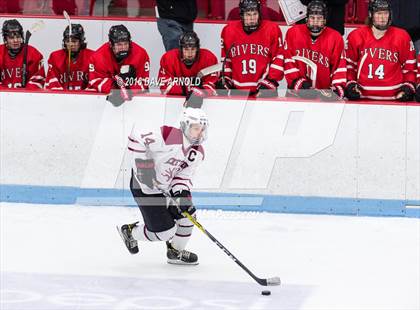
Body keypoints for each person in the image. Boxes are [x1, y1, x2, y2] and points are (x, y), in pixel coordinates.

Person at [117, 107, 208, 265]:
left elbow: (182, 176)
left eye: (202, 129)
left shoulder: (197, 153)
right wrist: (144, 170)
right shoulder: (169, 135)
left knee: (189, 217)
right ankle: (131, 232)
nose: (200, 133)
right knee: (165, 232)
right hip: (144, 188)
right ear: (185, 126)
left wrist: (181, 194)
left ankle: (175, 252)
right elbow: (136, 139)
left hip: (164, 188)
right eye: (196, 128)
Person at [219, 0, 306, 98]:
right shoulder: (228, 31)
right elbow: (226, 60)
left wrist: (270, 82)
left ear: (259, 14)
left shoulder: (272, 29)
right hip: (238, 91)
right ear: (241, 15)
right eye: (248, 15)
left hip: (265, 89)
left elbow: (279, 57)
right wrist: (226, 80)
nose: (252, 18)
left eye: (255, 14)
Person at [345, 0, 417, 101]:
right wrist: (350, 84)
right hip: (362, 98)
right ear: (371, 14)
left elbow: (409, 68)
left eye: (385, 13)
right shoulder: (356, 36)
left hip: (395, 98)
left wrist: (408, 87)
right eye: (378, 14)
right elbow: (349, 66)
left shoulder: (402, 36)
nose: (382, 18)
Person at [284, 0, 346, 100]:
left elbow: (339, 68)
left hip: (323, 97)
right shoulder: (293, 33)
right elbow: (288, 61)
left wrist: (335, 90)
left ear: (325, 20)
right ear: (307, 19)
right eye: (312, 18)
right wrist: (299, 85)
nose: (315, 21)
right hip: (296, 95)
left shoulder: (335, 37)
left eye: (319, 18)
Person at [87, 24, 150, 106]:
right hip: (104, 101)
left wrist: (125, 92)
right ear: (111, 44)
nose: (123, 47)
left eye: (126, 43)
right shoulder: (98, 57)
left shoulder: (141, 54)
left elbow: (144, 82)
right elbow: (95, 82)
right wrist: (118, 85)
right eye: (119, 44)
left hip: (135, 100)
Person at [158, 31, 218, 106]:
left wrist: (198, 92)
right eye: (186, 49)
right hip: (173, 104)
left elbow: (213, 85)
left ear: (197, 49)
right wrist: (191, 89)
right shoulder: (169, 58)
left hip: (203, 104)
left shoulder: (209, 58)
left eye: (193, 49)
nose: (189, 54)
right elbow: (164, 86)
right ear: (181, 49)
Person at [45, 24, 94, 91]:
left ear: (81, 42)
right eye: (68, 41)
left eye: (74, 41)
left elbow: (95, 83)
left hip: (85, 99)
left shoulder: (92, 57)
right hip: (62, 98)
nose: (71, 45)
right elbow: (51, 84)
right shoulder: (55, 57)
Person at [0, 19, 45, 90]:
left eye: (18, 37)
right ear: (5, 39)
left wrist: (25, 94)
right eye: (11, 38)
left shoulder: (33, 53)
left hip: (27, 99)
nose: (15, 40)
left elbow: (38, 80)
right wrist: (5, 93)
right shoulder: (1, 52)